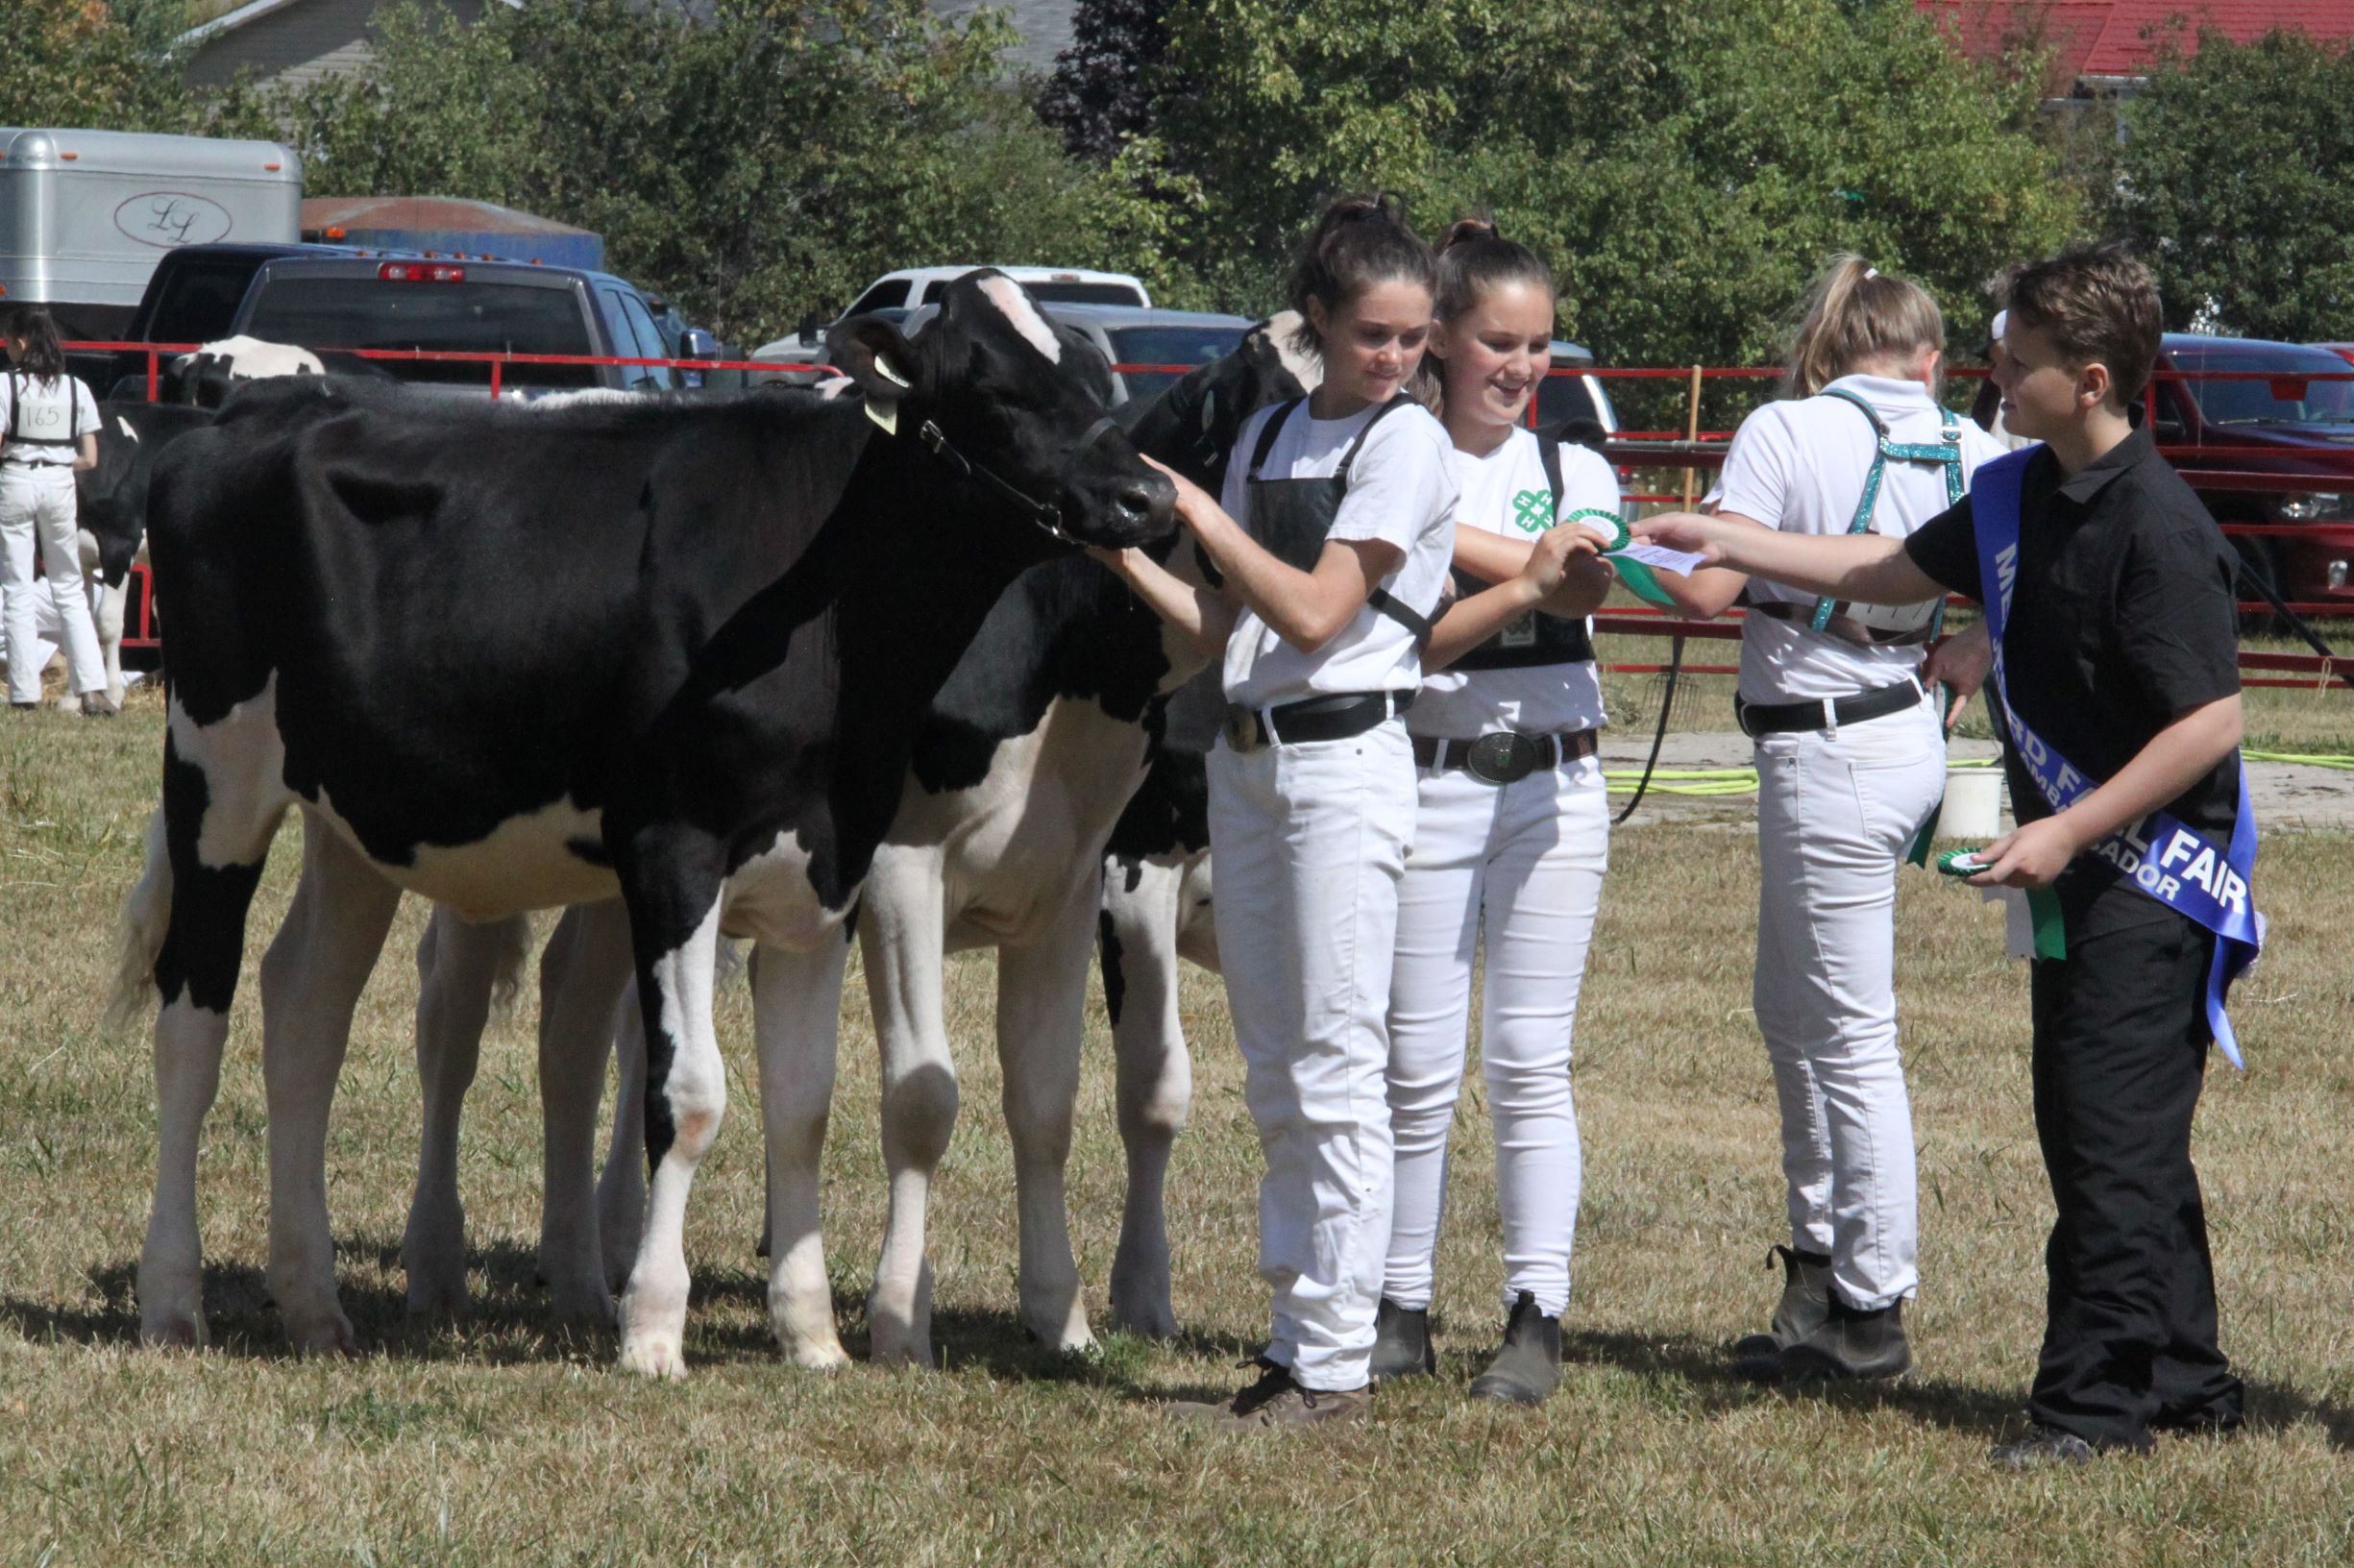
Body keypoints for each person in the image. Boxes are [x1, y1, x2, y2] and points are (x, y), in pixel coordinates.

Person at [1637, 242, 2254, 1468]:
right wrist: (1725, 537)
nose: (1985, 375)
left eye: (2011, 363)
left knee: (2105, 1140)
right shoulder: (2015, 491)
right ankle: (2185, 1377)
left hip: (2147, 872)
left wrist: (2068, 828)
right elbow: (1881, 570)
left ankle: (2090, 1410)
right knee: (2109, 1127)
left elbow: (2211, 721)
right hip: (2074, 864)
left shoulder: (2159, 528)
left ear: (2085, 381)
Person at [1094, 194, 1593, 1430]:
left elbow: (1316, 615)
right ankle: (1294, 1340)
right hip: (1250, 760)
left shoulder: (1404, 446)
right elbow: (1224, 630)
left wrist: (1200, 514)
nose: (1399, 358)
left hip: (1345, 768)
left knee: (1333, 1065)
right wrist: (1110, 550)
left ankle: (1331, 1361)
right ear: (1314, 321)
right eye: (1374, 335)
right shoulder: (1269, 433)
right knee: (1275, 1072)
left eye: (1415, 335)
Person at [1648, 257, 2006, 1384]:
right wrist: (1969, 648)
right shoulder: (1976, 446)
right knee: (1793, 1011)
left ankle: (1869, 1303)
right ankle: (1818, 1269)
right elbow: (2036, 574)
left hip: (1820, 736)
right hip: (1901, 717)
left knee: (1844, 1033)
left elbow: (1704, 587)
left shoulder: (1783, 429)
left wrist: (1618, 543)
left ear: (1825, 348)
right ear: (1927, 357)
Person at [1370, 219, 1620, 1406]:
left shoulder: (1578, 464)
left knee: (1529, 1062)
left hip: (1556, 783)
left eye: (1538, 345)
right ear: (1443, 344)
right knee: (1412, 1066)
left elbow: (1591, 564)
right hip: (1427, 774)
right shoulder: (1396, 453)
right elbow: (1402, 644)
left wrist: (1544, 570)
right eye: (1496, 344)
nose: (1521, 367)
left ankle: (1537, 1313)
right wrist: (1521, 571)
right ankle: (1397, 1305)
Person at [0, 306, 109, 716]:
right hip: (61, 482)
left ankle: (24, 693)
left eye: (9, 342)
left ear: (22, 343)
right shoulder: (77, 388)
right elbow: (91, 458)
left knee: (18, 586)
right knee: (68, 586)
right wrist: (58, 460)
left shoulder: (5, 386)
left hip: (17, 480)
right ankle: (93, 688)